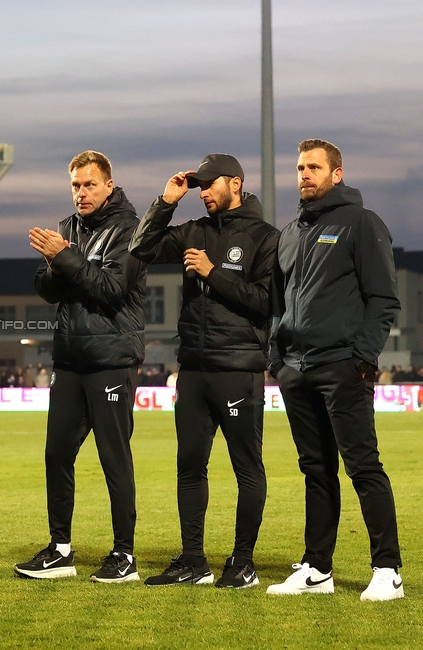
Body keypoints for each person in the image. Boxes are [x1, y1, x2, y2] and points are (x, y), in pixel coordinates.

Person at [128, 154, 279, 588]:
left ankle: (243, 562)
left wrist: (213, 274)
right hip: (193, 367)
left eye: (210, 184)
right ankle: (194, 561)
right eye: (199, 186)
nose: (204, 191)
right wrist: (165, 201)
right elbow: (140, 250)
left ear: (236, 182)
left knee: (246, 468)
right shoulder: (194, 230)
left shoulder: (266, 238)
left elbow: (267, 302)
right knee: (190, 466)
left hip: (238, 367)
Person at [267, 139, 403, 602]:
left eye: (314, 167)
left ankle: (388, 570)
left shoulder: (361, 224)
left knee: (363, 466)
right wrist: (277, 358)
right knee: (316, 471)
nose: (304, 174)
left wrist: (361, 358)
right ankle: (317, 569)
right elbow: (277, 303)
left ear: (336, 173)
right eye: (300, 167)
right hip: (295, 370)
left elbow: (384, 298)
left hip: (342, 366)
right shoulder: (290, 233)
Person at [15, 150, 146, 583]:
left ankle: (124, 555)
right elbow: (46, 290)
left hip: (111, 359)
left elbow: (110, 289)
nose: (81, 193)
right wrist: (57, 259)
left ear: (109, 184)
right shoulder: (67, 229)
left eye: (89, 184)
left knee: (114, 457)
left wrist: (65, 258)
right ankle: (60, 549)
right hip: (69, 359)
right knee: (57, 454)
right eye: (75, 185)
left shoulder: (131, 228)